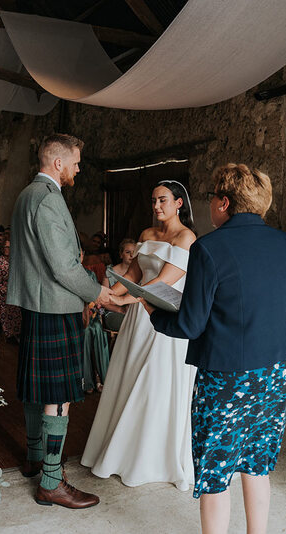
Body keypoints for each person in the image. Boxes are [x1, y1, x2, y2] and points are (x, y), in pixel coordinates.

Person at [144, 164, 286, 534]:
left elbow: (189, 324)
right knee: (256, 462)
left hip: (225, 376)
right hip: (276, 372)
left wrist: (151, 307)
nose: (211, 205)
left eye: (213, 198)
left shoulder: (209, 248)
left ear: (225, 202)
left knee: (217, 470)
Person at [7, 133, 112, 509]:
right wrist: (97, 291)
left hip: (37, 306)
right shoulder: (48, 200)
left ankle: (35, 457)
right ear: (58, 163)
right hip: (56, 307)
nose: (78, 169)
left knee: (39, 389)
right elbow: (63, 266)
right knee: (60, 396)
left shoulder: (25, 196)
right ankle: (51, 481)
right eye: (76, 163)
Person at [81, 179, 197, 491]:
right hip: (138, 319)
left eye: (162, 200)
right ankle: (119, 450)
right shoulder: (147, 234)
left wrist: (123, 299)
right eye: (153, 201)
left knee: (154, 383)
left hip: (165, 319)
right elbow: (134, 274)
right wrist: (106, 294)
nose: (156, 206)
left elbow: (163, 281)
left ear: (178, 204)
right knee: (129, 378)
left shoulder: (187, 237)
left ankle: (151, 457)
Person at [99, 238, 136, 332]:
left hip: (134, 311)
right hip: (113, 312)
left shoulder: (141, 272)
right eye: (128, 252)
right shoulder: (110, 272)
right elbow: (103, 300)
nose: (132, 255)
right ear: (121, 254)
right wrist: (121, 310)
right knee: (131, 326)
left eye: (134, 252)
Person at [0, 240, 21, 341]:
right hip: (5, 292)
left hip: (18, 290)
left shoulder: (17, 261)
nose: (7, 249)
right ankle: (9, 334)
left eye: (9, 247)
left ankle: (19, 333)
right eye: (5, 247)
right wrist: (8, 291)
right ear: (2, 249)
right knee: (7, 307)